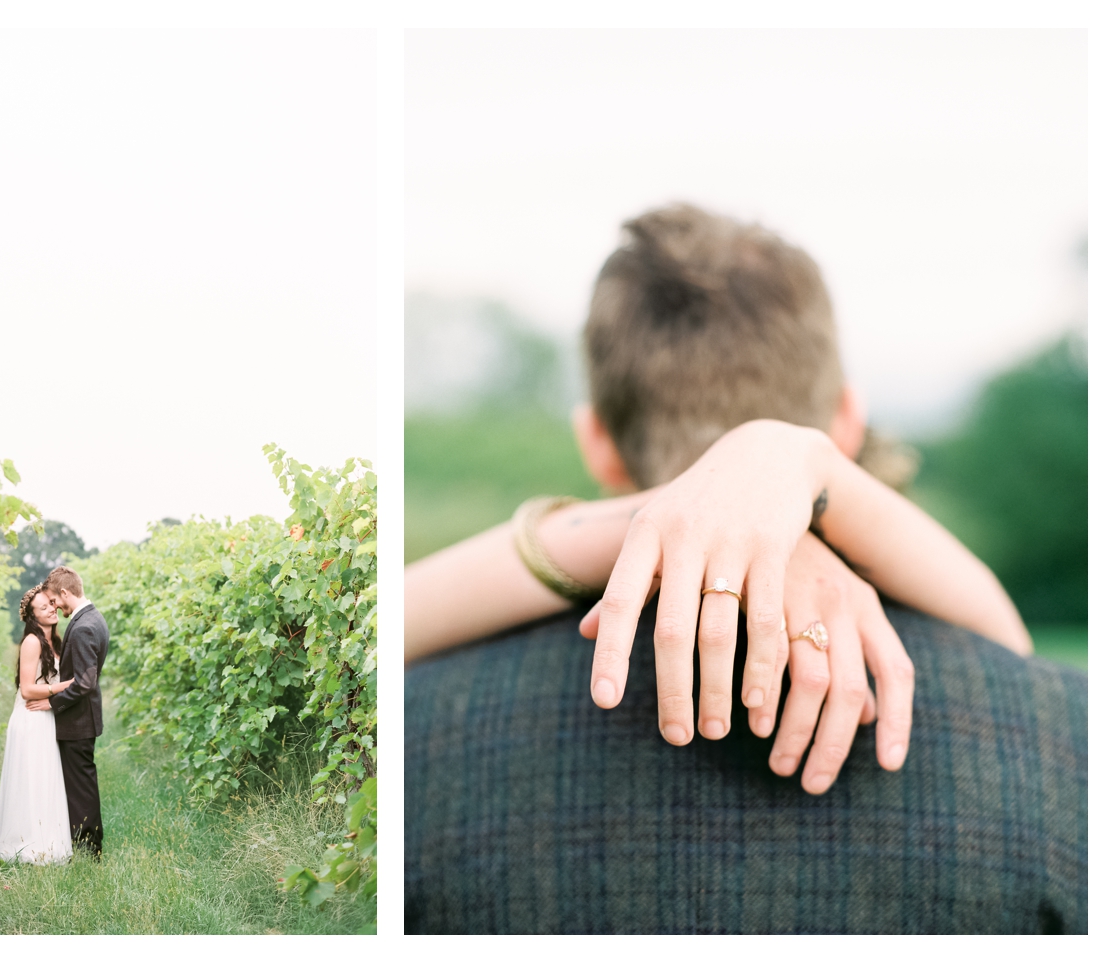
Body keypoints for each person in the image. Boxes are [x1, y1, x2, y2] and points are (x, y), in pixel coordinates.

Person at [404, 205, 1087, 932]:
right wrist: (802, 477)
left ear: (596, 440)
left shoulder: (419, 730)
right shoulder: (1067, 741)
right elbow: (1008, 640)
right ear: (848, 420)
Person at [0, 585, 76, 865]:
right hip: (31, 718)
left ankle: (48, 842)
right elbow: (26, 690)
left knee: (45, 778)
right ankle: (26, 845)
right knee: (31, 779)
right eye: (43, 606)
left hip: (45, 716)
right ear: (33, 617)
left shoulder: (55, 642)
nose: (50, 607)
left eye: (51, 603)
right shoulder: (33, 642)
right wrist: (67, 686)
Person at [27, 565, 109, 858]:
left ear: (64, 592)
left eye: (54, 600)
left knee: (81, 788)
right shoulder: (92, 618)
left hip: (78, 720)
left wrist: (51, 703)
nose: (55, 606)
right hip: (82, 718)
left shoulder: (85, 626)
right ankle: (84, 845)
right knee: (80, 785)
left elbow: (85, 683)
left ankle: (89, 849)